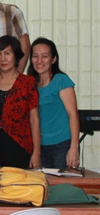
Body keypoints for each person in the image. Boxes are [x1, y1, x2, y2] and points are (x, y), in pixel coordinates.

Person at [28, 37, 80, 169]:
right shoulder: (30, 84)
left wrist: (74, 147)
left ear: (53, 59)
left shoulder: (61, 80)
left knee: (64, 182)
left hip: (62, 145)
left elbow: (73, 114)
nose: (39, 61)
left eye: (44, 56)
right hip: (40, 147)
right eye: (35, 56)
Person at [0, 35, 40, 168]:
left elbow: (34, 119)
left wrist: (36, 152)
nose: (3, 58)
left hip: (21, 147)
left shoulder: (27, 82)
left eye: (7, 53)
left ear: (16, 56)